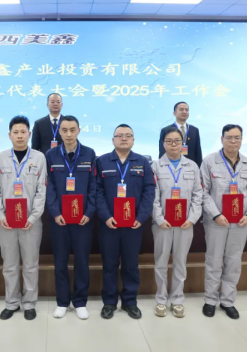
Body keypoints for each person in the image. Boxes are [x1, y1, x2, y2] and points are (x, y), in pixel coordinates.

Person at [200, 124, 247, 320]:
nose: (233, 141)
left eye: (237, 138)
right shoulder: (209, 161)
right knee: (214, 260)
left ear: (242, 140)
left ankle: (228, 301)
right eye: (229, 137)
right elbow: (202, 193)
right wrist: (216, 214)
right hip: (216, 221)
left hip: (240, 222)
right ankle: (210, 300)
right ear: (222, 139)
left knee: (234, 261)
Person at [0, 115, 47, 321]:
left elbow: (41, 192)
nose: (20, 136)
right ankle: (12, 303)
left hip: (31, 223)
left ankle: (29, 303)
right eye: (16, 132)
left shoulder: (39, 158)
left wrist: (33, 217)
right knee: (10, 265)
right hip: (6, 223)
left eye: (23, 132)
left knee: (30, 265)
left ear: (29, 134)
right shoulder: (0, 158)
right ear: (9, 135)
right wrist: (0, 215)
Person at [96, 124, 155, 320]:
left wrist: (141, 217)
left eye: (128, 135)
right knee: (109, 264)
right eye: (119, 135)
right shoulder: (102, 161)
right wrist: (106, 216)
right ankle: (109, 302)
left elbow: (149, 191)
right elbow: (97, 191)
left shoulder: (142, 162)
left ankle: (130, 302)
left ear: (133, 140)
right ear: (112, 140)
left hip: (133, 225)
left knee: (131, 265)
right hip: (109, 225)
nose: (123, 138)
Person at [45, 115, 97, 320]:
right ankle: (62, 302)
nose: (68, 134)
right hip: (59, 220)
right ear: (59, 132)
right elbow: (49, 187)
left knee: (82, 261)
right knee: (60, 261)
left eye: (72, 130)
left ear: (79, 130)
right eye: (64, 130)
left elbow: (93, 186)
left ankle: (80, 301)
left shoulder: (89, 153)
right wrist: (55, 212)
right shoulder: (51, 155)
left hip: (82, 219)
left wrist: (89, 212)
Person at [151, 127, 203, 318]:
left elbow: (198, 194)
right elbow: (153, 196)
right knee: (161, 262)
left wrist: (192, 219)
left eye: (177, 141)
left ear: (183, 144)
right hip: (162, 224)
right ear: (163, 144)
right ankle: (161, 299)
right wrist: (159, 218)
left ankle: (178, 299)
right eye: (169, 141)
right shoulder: (155, 166)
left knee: (180, 262)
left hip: (185, 224)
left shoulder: (192, 166)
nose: (173, 145)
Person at [158, 102, 203, 167]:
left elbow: (198, 152)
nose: (184, 112)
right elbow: (162, 151)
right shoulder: (166, 130)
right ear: (174, 113)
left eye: (186, 110)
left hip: (190, 166)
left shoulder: (194, 130)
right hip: (171, 166)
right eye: (181, 109)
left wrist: (199, 167)